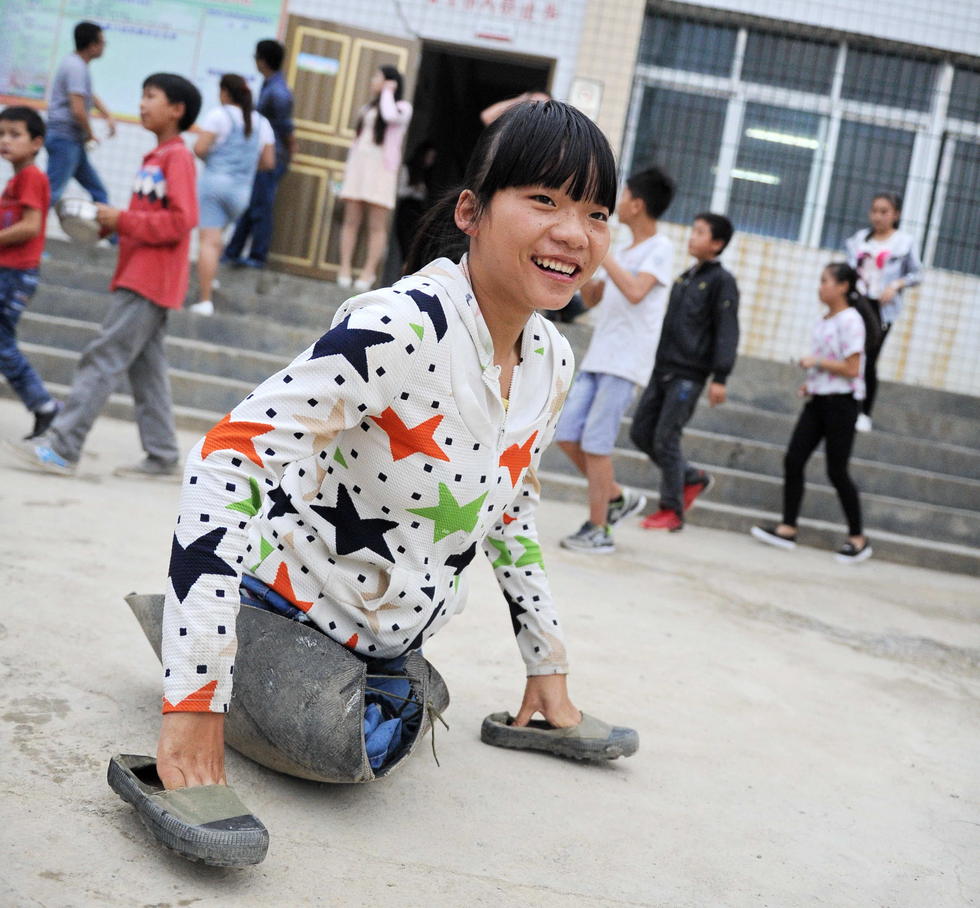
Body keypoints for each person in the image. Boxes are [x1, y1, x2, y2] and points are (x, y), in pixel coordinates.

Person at [125, 100, 635, 864]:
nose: (574, 234)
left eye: (596, 213)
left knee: (388, 725)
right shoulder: (400, 328)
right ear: (471, 210)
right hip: (286, 610)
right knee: (346, 747)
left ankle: (376, 690)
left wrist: (548, 673)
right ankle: (201, 654)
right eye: (544, 200)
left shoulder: (552, 361)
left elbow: (510, 511)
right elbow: (228, 456)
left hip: (389, 641)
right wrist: (193, 704)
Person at [8, 74, 201, 477]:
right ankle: (164, 455)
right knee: (146, 371)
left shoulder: (176, 157)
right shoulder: (157, 157)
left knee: (103, 357)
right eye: (141, 94)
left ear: (176, 110)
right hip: (139, 272)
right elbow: (153, 218)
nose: (143, 103)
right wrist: (113, 224)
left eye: (151, 96)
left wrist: (123, 219)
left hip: (149, 278)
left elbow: (183, 221)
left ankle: (63, 446)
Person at [555, 166, 676, 554]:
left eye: (623, 196)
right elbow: (593, 299)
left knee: (596, 443)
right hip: (600, 355)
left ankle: (599, 528)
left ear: (637, 205)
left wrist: (604, 257)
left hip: (625, 361)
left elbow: (637, 291)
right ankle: (617, 498)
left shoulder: (661, 248)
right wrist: (584, 264)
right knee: (567, 433)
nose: (618, 202)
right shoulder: (623, 250)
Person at [751, 263, 873, 564]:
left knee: (837, 469)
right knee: (794, 459)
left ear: (843, 286)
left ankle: (858, 538)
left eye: (825, 281)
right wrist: (812, 383)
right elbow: (831, 366)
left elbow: (852, 368)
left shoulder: (851, 321)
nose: (821, 287)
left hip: (842, 404)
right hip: (819, 399)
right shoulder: (824, 321)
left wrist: (815, 362)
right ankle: (788, 528)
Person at [629, 213, 740, 533]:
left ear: (717, 244)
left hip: (689, 375)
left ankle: (672, 510)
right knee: (641, 432)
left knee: (666, 438)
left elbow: (727, 330)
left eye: (701, 232)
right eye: (693, 230)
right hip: (662, 368)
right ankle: (691, 477)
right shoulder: (685, 277)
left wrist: (720, 376)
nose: (692, 237)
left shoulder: (721, 281)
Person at [189, 74, 275, 316]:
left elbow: (199, 148)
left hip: (214, 186)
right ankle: (211, 276)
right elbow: (269, 162)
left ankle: (205, 300)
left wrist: (215, 162)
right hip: (241, 192)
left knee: (208, 241)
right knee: (218, 238)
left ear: (225, 92)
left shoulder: (219, 115)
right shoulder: (262, 123)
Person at [0, 107, 59, 439]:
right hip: (7, 272)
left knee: (2, 345)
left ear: (36, 143)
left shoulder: (31, 177)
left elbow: (31, 226)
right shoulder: (17, 179)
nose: (5, 141)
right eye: (1, 134)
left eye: (15, 134)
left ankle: (45, 406)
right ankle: (44, 406)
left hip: (14, 275)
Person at [844, 192, 922, 432]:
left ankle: (864, 412)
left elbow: (916, 274)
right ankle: (844, 407)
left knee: (869, 358)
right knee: (850, 355)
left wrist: (896, 285)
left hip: (882, 309)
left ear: (895, 215)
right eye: (874, 211)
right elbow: (847, 271)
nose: (878, 216)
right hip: (858, 303)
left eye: (884, 211)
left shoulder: (903, 243)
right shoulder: (859, 240)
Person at [337, 66, 412, 290]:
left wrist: (388, 92)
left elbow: (389, 117)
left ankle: (368, 272)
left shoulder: (401, 107)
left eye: (377, 77)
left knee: (376, 226)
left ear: (390, 82)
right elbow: (356, 141)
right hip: (359, 168)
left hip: (382, 171)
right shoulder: (366, 108)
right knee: (351, 221)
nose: (373, 80)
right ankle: (345, 267)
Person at [223, 40, 295, 269]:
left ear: (262, 60)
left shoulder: (277, 92)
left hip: (272, 158)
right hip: (264, 157)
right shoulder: (270, 85)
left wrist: (289, 153)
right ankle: (233, 252)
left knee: (261, 207)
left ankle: (257, 256)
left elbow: (285, 129)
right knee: (251, 205)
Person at [44, 21, 115, 206]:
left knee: (98, 191)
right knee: (51, 194)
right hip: (65, 138)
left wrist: (108, 115)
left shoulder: (76, 64)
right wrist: (90, 135)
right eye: (102, 43)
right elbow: (78, 110)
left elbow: (87, 95)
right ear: (92, 46)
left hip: (71, 139)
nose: (103, 47)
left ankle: (116, 236)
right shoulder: (76, 67)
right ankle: (26, 233)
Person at [480, 90, 551, 126]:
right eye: (533, 104)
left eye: (543, 107)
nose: (537, 109)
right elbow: (486, 116)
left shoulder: (550, 130)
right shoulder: (513, 125)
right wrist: (520, 99)